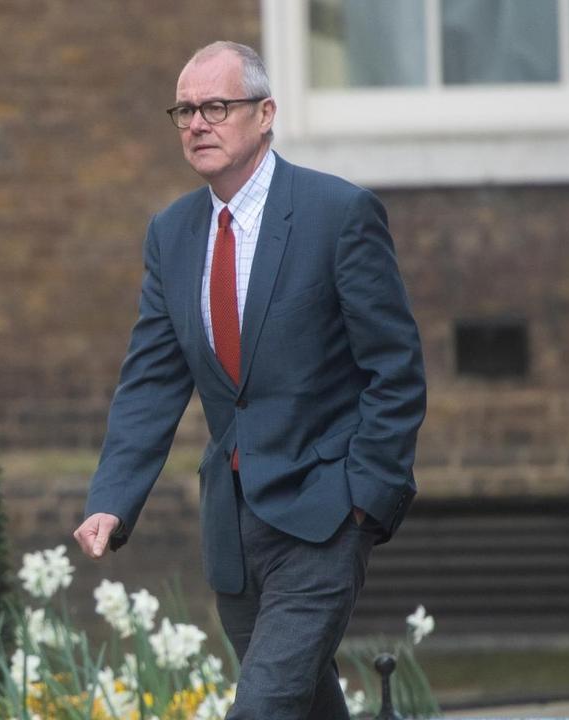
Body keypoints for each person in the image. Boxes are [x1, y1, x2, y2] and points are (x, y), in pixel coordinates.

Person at [72, 40, 426, 719]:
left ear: (265, 114)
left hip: (324, 517)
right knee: (306, 708)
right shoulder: (172, 234)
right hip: (234, 531)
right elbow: (151, 378)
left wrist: (365, 499)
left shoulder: (337, 215)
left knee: (261, 708)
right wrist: (112, 499)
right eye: (184, 110)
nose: (197, 123)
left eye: (216, 106)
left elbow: (396, 370)